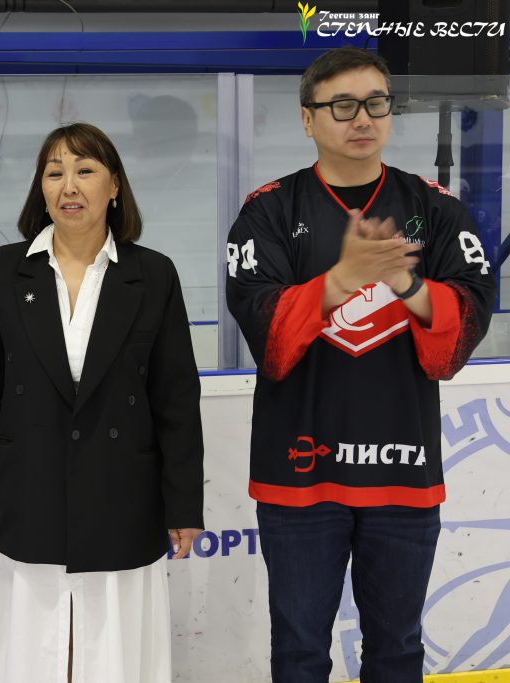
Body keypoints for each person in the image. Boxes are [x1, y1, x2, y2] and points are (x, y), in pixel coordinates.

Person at [226, 47, 495, 683]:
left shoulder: (435, 209)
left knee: (397, 649)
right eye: (343, 106)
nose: (363, 119)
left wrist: (407, 285)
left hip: (403, 468)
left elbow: (463, 327)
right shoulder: (268, 211)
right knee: (299, 651)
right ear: (307, 118)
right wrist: (342, 278)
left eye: (376, 103)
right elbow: (267, 335)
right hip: (300, 475)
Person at [0, 122, 204, 683]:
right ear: (41, 188)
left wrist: (183, 506)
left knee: (116, 649)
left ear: (114, 186)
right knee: (35, 646)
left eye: (85, 170)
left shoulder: (153, 274)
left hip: (122, 494)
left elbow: (176, 397)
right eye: (54, 173)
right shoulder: (7, 268)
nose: (69, 186)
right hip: (31, 488)